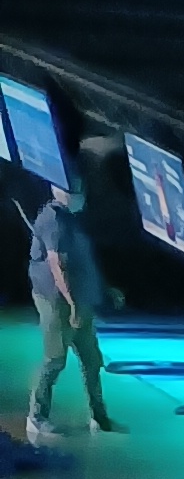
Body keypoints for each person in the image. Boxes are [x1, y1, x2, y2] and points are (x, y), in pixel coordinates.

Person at [27, 182, 115, 443]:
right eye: (76, 191)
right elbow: (57, 266)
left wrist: (104, 288)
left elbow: (84, 260)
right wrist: (73, 304)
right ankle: (36, 416)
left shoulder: (74, 219)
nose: (82, 195)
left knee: (91, 359)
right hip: (57, 301)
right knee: (55, 358)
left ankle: (99, 415)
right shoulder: (53, 220)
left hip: (81, 299)